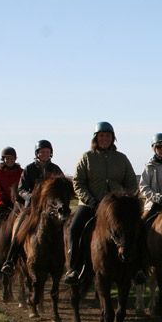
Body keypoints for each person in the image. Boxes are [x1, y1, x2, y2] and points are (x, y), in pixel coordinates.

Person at [62, 122, 138, 285]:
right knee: (75, 229)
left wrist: (125, 199)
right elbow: (78, 182)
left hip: (116, 208)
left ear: (113, 138)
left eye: (108, 136)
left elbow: (132, 182)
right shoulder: (87, 157)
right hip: (91, 204)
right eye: (101, 136)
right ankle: (74, 268)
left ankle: (138, 268)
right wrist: (90, 200)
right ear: (96, 138)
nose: (105, 139)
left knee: (138, 228)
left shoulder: (122, 158)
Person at [0, 140, 63, 275]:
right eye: (42, 152)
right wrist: (30, 197)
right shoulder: (29, 169)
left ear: (51, 153)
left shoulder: (55, 169)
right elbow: (21, 189)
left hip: (51, 207)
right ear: (37, 154)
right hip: (32, 208)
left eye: (47, 151)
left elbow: (61, 187)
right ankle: (10, 260)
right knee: (19, 226)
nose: (45, 154)